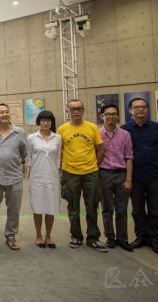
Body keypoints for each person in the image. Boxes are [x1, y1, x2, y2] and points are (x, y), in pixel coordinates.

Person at [123, 97, 158, 255]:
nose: (140, 110)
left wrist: (154, 160)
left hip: (155, 175)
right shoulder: (125, 129)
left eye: (143, 107)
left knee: (155, 209)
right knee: (137, 209)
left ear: (147, 109)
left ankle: (154, 238)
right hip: (135, 176)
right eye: (136, 107)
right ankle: (141, 236)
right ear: (131, 111)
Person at [58, 99, 106, 252]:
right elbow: (59, 152)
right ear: (68, 111)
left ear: (83, 110)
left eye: (79, 109)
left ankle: (93, 238)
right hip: (70, 174)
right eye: (73, 109)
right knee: (73, 206)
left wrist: (94, 166)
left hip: (90, 173)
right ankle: (76, 236)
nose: (76, 112)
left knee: (92, 206)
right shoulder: (62, 129)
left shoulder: (92, 128)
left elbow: (100, 150)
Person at [0, 103, 27, 250]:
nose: (5, 114)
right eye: (1, 112)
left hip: (14, 178)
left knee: (13, 210)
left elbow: (23, 153)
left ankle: (11, 236)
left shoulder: (19, 132)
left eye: (7, 112)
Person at [98, 104, 134, 252]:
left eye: (114, 114)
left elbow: (129, 157)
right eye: (108, 114)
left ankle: (122, 238)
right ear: (102, 116)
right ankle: (110, 237)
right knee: (107, 209)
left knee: (121, 209)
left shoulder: (125, 134)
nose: (111, 117)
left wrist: (129, 179)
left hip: (121, 174)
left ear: (118, 116)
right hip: (104, 174)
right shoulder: (97, 133)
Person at [26, 111, 62, 249]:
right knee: (37, 206)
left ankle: (48, 236)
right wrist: (27, 174)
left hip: (52, 177)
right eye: (43, 120)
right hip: (37, 177)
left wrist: (59, 174)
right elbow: (29, 157)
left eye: (48, 120)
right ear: (38, 122)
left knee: (50, 207)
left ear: (52, 122)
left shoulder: (58, 138)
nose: (45, 122)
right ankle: (38, 235)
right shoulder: (31, 138)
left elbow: (58, 158)